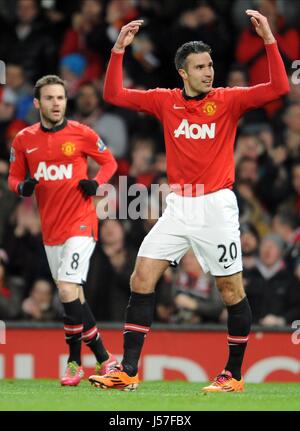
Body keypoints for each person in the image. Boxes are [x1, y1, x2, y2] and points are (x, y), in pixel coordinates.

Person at [89, 10, 289, 393]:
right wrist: (118, 50)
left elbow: (279, 88)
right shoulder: (166, 101)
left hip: (216, 207)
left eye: (210, 64)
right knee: (141, 276)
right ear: (183, 72)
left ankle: (233, 375)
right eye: (199, 67)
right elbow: (112, 94)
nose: (208, 72)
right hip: (179, 205)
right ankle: (128, 370)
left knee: (231, 290)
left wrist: (268, 41)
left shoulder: (228, 101)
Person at [8, 74, 118, 386]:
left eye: (60, 98)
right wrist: (23, 187)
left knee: (67, 290)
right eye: (50, 98)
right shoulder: (24, 140)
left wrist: (97, 183)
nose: (56, 104)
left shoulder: (82, 133)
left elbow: (109, 163)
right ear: (37, 103)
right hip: (51, 228)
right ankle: (106, 359)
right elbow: (13, 178)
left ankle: (73, 362)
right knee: (74, 297)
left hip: (81, 223)